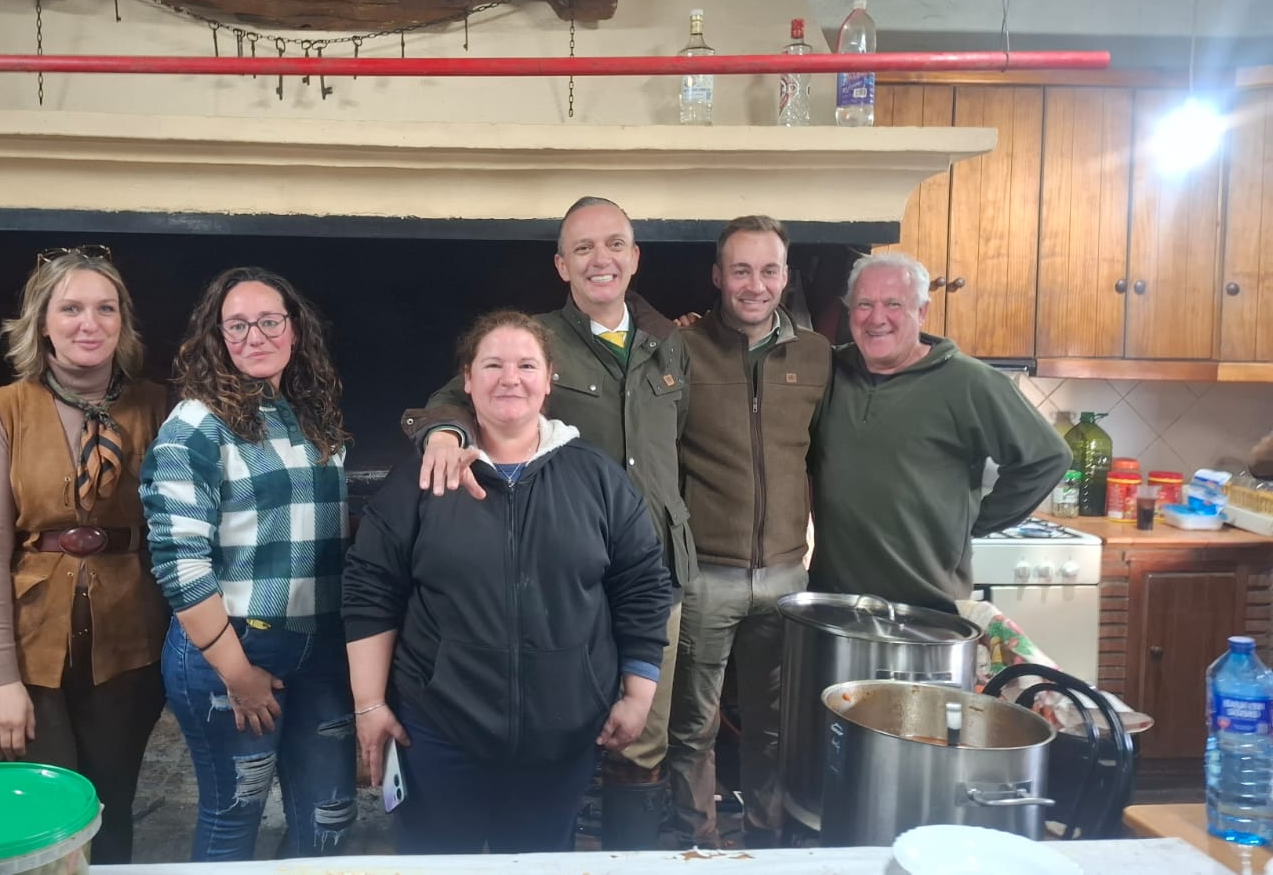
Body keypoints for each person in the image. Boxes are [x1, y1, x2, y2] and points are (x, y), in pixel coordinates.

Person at [405, 196, 693, 849]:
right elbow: (450, 399)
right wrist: (444, 434)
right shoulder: (533, 341)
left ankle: (624, 859)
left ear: (635, 257)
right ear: (562, 265)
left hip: (648, 568)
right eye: (582, 248)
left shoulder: (671, 345)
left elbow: (682, 440)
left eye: (614, 244)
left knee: (641, 738)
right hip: (562, 576)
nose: (600, 259)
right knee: (562, 721)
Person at [346, 311, 673, 854]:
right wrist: (368, 704)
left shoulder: (597, 477)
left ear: (548, 381)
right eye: (493, 365)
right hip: (440, 734)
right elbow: (371, 587)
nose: (510, 379)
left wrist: (639, 696)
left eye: (526, 365)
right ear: (467, 380)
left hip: (563, 740)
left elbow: (641, 584)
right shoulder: (424, 478)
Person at [0, 245, 169, 865]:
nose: (89, 324)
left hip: (128, 649)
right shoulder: (4, 411)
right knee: (38, 828)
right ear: (42, 323)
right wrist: (1, 679)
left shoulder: (159, 408)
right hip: (24, 652)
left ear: (123, 323)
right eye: (71, 308)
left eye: (106, 309)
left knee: (110, 815)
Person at [140, 266, 355, 861]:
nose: (255, 337)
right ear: (217, 337)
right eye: (237, 326)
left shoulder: (311, 415)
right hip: (234, 649)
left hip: (321, 646)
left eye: (269, 322)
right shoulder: (195, 427)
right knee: (235, 819)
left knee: (330, 818)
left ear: (295, 329)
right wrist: (237, 674)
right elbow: (180, 565)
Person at [666, 216, 831, 848]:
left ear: (786, 277)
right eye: (741, 270)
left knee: (774, 728)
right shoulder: (681, 348)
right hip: (705, 576)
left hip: (787, 577)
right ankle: (698, 844)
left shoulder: (816, 356)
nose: (755, 285)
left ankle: (766, 842)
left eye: (768, 270)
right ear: (717, 276)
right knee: (692, 726)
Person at [809, 252, 1071, 611]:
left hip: (927, 608)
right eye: (864, 304)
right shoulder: (828, 371)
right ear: (849, 311)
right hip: (834, 604)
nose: (876, 318)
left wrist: (973, 522)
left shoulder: (968, 382)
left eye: (893, 304)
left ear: (922, 312)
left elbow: (1048, 458)